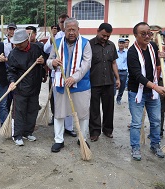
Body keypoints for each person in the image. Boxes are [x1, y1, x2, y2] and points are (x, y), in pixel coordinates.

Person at [47, 18, 92, 152]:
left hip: (81, 85)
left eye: (74, 30)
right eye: (68, 30)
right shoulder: (57, 43)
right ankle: (59, 140)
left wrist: (74, 78)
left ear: (78, 30)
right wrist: (52, 63)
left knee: (83, 113)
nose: (71, 32)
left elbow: (86, 64)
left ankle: (82, 138)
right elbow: (49, 60)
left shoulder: (85, 44)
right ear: (64, 30)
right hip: (61, 84)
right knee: (59, 113)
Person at [127, 22, 165, 161]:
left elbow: (157, 64)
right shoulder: (132, 52)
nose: (147, 36)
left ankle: (155, 144)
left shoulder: (153, 46)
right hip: (137, 92)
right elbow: (137, 75)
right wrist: (156, 87)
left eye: (149, 33)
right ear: (135, 35)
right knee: (136, 123)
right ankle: (135, 147)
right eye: (143, 34)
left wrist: (161, 57)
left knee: (156, 121)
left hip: (152, 93)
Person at [7, 29, 45, 146]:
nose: (17, 45)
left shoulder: (36, 48)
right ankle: (17, 135)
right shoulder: (13, 54)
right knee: (19, 112)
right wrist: (12, 81)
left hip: (35, 86)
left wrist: (42, 61)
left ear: (26, 40)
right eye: (16, 43)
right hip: (20, 88)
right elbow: (10, 71)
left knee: (32, 110)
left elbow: (45, 61)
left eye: (20, 43)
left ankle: (28, 132)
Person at [44, 13, 76, 138]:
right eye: (61, 22)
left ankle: (69, 127)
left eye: (65, 21)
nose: (63, 24)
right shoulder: (56, 36)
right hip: (56, 74)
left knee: (70, 101)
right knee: (57, 101)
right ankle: (58, 125)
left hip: (70, 75)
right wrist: (52, 37)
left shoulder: (74, 37)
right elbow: (47, 50)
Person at [89, 23, 120, 142]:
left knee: (109, 108)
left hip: (108, 82)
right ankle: (94, 132)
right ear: (98, 31)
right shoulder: (89, 45)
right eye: (103, 35)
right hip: (94, 82)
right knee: (94, 109)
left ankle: (107, 130)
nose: (105, 38)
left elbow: (113, 63)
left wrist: (117, 78)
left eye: (108, 36)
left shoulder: (111, 45)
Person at [115, 38, 128, 105]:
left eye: (123, 43)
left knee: (122, 86)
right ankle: (111, 97)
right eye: (120, 43)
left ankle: (119, 98)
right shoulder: (114, 51)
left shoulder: (127, 52)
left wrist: (127, 72)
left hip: (123, 72)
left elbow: (128, 62)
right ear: (118, 43)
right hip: (115, 71)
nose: (121, 44)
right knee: (113, 85)